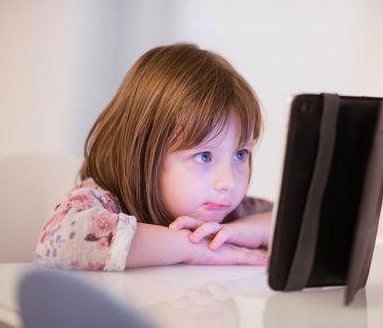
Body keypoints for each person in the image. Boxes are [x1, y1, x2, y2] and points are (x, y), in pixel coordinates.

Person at [35, 43, 273, 271]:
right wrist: (194, 247)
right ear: (143, 153)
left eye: (240, 154)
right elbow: (59, 239)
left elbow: (305, 224)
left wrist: (258, 229)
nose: (228, 182)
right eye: (204, 156)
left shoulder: (236, 213)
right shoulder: (106, 201)